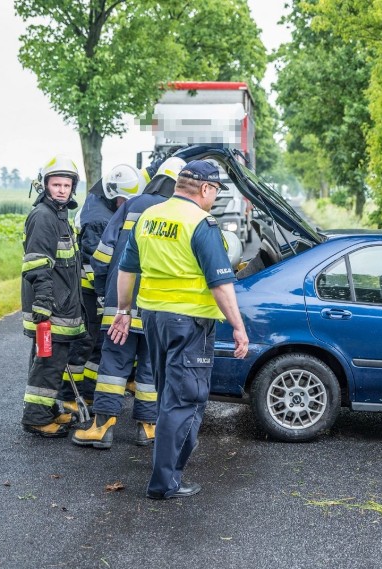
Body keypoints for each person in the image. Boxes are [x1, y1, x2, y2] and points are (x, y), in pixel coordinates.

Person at [108, 159, 249, 499]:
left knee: (168, 398)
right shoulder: (201, 223)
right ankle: (165, 483)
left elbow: (127, 269)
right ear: (204, 189)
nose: (214, 198)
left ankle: (165, 474)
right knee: (184, 402)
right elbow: (220, 283)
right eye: (214, 191)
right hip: (191, 326)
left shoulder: (149, 217)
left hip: (154, 320)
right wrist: (239, 328)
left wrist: (123, 311)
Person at [72, 157, 186, 449]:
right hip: (157, 307)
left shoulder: (131, 206)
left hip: (120, 303)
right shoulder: (181, 212)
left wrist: (102, 289)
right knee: (149, 366)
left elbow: (102, 254)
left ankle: (102, 426)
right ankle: (148, 427)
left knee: (113, 362)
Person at [62, 164, 147, 418]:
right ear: (113, 194)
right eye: (124, 200)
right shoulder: (98, 219)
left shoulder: (102, 205)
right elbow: (96, 261)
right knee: (84, 342)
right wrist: (102, 294)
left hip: (94, 290)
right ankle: (70, 396)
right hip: (88, 290)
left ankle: (88, 391)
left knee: (98, 344)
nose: (127, 205)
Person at [20, 155, 86, 437]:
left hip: (61, 306)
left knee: (53, 363)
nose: (61, 189)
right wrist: (44, 306)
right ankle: (36, 417)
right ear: (44, 185)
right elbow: (37, 266)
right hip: (51, 308)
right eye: (56, 184)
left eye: (66, 185)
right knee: (48, 365)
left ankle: (48, 410)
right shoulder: (44, 217)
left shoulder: (60, 215)